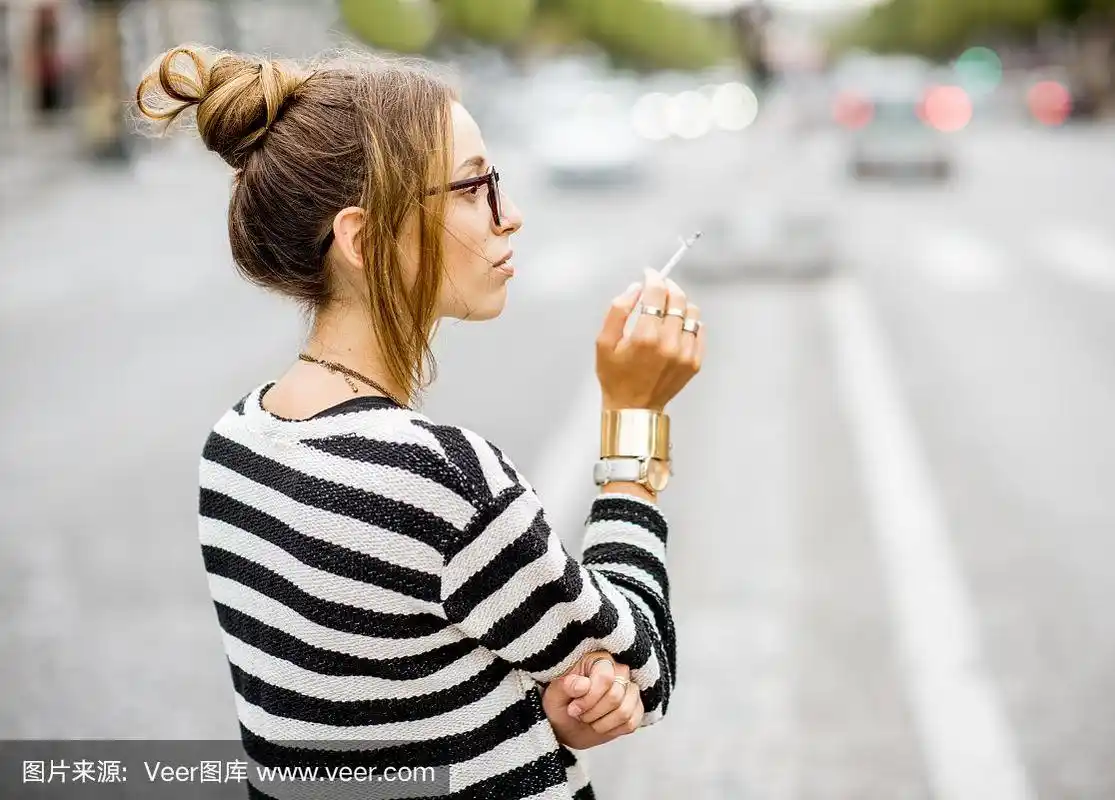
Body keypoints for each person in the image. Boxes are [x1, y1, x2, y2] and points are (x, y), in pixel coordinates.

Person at [134, 45, 705, 800]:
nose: (510, 215)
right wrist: (633, 417)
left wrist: (544, 712)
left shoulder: (231, 448)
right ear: (364, 240)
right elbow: (645, 667)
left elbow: (381, 722)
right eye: (473, 188)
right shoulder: (435, 481)